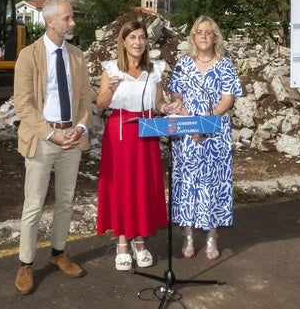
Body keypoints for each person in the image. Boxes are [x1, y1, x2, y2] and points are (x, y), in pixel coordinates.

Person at [13, 0, 92, 294]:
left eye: (71, 18)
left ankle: (58, 253)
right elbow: (23, 104)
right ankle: (25, 263)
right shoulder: (28, 55)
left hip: (72, 137)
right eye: (68, 18)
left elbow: (86, 99)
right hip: (42, 139)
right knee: (33, 204)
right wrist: (50, 134)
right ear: (50, 22)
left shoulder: (77, 56)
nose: (73, 23)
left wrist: (80, 126)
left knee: (66, 200)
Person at [96, 20, 173, 271]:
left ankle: (139, 240)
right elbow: (101, 104)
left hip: (147, 132)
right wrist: (111, 89)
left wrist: (166, 108)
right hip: (120, 133)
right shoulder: (111, 69)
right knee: (122, 186)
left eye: (141, 37)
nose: (138, 42)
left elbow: (158, 102)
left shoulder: (155, 70)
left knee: (143, 185)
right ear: (124, 42)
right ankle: (121, 241)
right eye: (132, 38)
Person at [167, 16, 243, 261]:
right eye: (198, 32)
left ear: (215, 37)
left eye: (208, 32)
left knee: (212, 183)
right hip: (187, 132)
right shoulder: (182, 64)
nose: (203, 36)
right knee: (188, 183)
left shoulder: (226, 65)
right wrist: (191, 121)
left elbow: (227, 100)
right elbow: (175, 97)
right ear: (192, 37)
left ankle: (212, 235)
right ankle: (188, 234)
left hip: (215, 132)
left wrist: (205, 121)